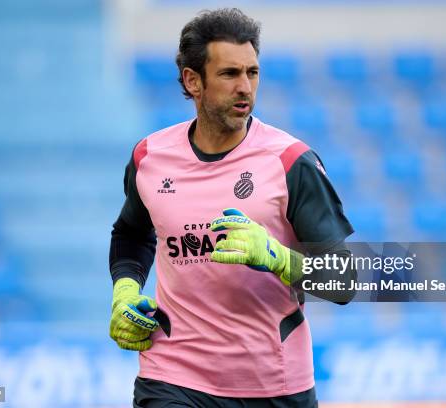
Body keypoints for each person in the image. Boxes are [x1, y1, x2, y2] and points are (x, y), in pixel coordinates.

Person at [109, 8, 355, 408]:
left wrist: (278, 257)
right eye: (229, 74)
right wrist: (124, 290)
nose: (245, 87)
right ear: (193, 81)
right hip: (172, 377)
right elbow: (131, 233)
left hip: (274, 384)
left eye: (252, 73)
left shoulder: (292, 161)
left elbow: (344, 282)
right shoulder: (150, 157)